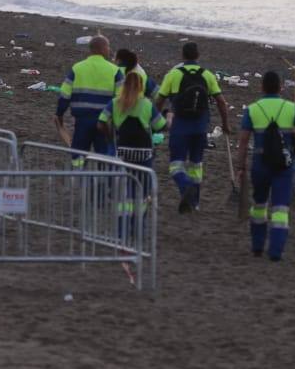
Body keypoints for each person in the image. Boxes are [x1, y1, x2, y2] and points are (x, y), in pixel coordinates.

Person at [236, 71, 295, 261]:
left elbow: (243, 142)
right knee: (280, 209)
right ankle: (276, 251)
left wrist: (241, 165)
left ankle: (257, 247)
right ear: (280, 87)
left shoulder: (252, 109)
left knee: (259, 205)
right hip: (284, 164)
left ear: (262, 87)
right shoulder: (291, 108)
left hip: (260, 163)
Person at [154, 41, 231, 214]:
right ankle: (194, 203)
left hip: (180, 126)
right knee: (196, 165)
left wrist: (156, 120)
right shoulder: (207, 75)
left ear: (182, 55)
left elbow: (159, 100)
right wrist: (225, 124)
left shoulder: (173, 74)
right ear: (198, 56)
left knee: (176, 166)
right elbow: (221, 102)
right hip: (200, 126)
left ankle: (185, 187)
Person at [99, 70, 166, 243]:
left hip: (123, 153)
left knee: (123, 195)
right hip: (144, 154)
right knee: (143, 194)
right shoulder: (147, 104)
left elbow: (101, 122)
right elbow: (160, 126)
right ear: (141, 86)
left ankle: (122, 232)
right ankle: (139, 230)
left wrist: (110, 138)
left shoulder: (115, 103)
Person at [55, 35, 124, 163]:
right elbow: (122, 99)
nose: (109, 50)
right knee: (105, 158)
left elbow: (64, 95)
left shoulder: (77, 68)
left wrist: (59, 114)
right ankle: (104, 182)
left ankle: (80, 179)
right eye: (108, 47)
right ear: (102, 49)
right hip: (104, 123)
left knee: (78, 156)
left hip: (82, 121)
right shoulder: (114, 71)